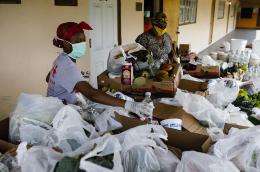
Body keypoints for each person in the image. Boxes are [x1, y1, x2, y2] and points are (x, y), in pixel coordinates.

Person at [46, 21, 154, 117]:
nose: (82, 44)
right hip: (61, 113)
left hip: (62, 106)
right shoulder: (67, 67)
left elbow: (48, 78)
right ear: (65, 43)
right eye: (77, 41)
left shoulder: (61, 59)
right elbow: (92, 94)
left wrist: (74, 82)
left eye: (83, 40)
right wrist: (131, 106)